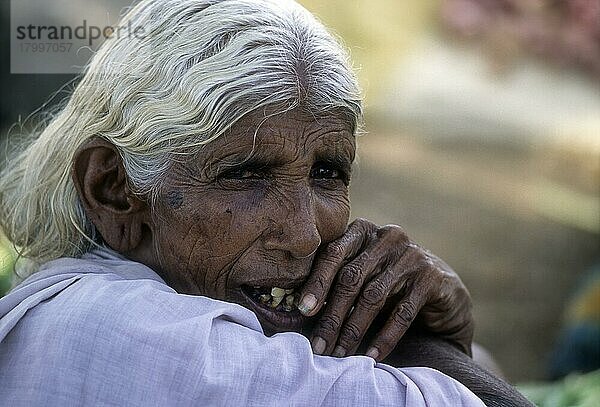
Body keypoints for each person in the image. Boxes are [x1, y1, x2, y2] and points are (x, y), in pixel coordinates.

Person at [0, 0, 531, 405]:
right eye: (246, 174)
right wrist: (430, 346)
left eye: (327, 173)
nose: (305, 234)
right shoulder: (103, 331)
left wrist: (430, 332)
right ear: (113, 190)